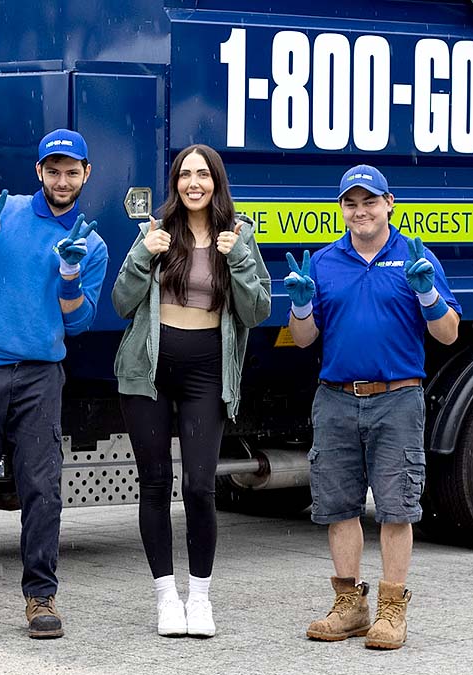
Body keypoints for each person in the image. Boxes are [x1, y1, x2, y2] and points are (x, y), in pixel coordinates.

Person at [0, 129, 108, 641]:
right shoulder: (0, 211)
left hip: (40, 376)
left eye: (71, 171)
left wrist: (70, 276)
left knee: (42, 491)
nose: (62, 179)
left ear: (86, 174)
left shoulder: (89, 241)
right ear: (38, 172)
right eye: (52, 170)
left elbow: (77, 325)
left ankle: (40, 597)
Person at [286, 164, 461, 650]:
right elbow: (303, 340)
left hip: (397, 400)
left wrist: (426, 292)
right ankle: (350, 605)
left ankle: (391, 609)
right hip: (336, 399)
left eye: (369, 201)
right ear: (341, 208)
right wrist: (301, 306)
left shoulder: (415, 257)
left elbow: (448, 333)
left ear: (390, 203)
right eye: (350, 203)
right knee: (338, 507)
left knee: (396, 508)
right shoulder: (324, 263)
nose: (359, 211)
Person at [112, 144, 271, 638]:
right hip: (148, 372)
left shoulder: (238, 236)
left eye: (203, 174)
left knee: (200, 487)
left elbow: (258, 311)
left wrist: (239, 259)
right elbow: (120, 302)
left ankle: (199, 597)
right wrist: (142, 256)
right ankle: (166, 597)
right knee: (155, 484)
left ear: (216, 181)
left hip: (208, 373)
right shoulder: (154, 235)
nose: (193, 183)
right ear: (175, 183)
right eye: (185, 175)